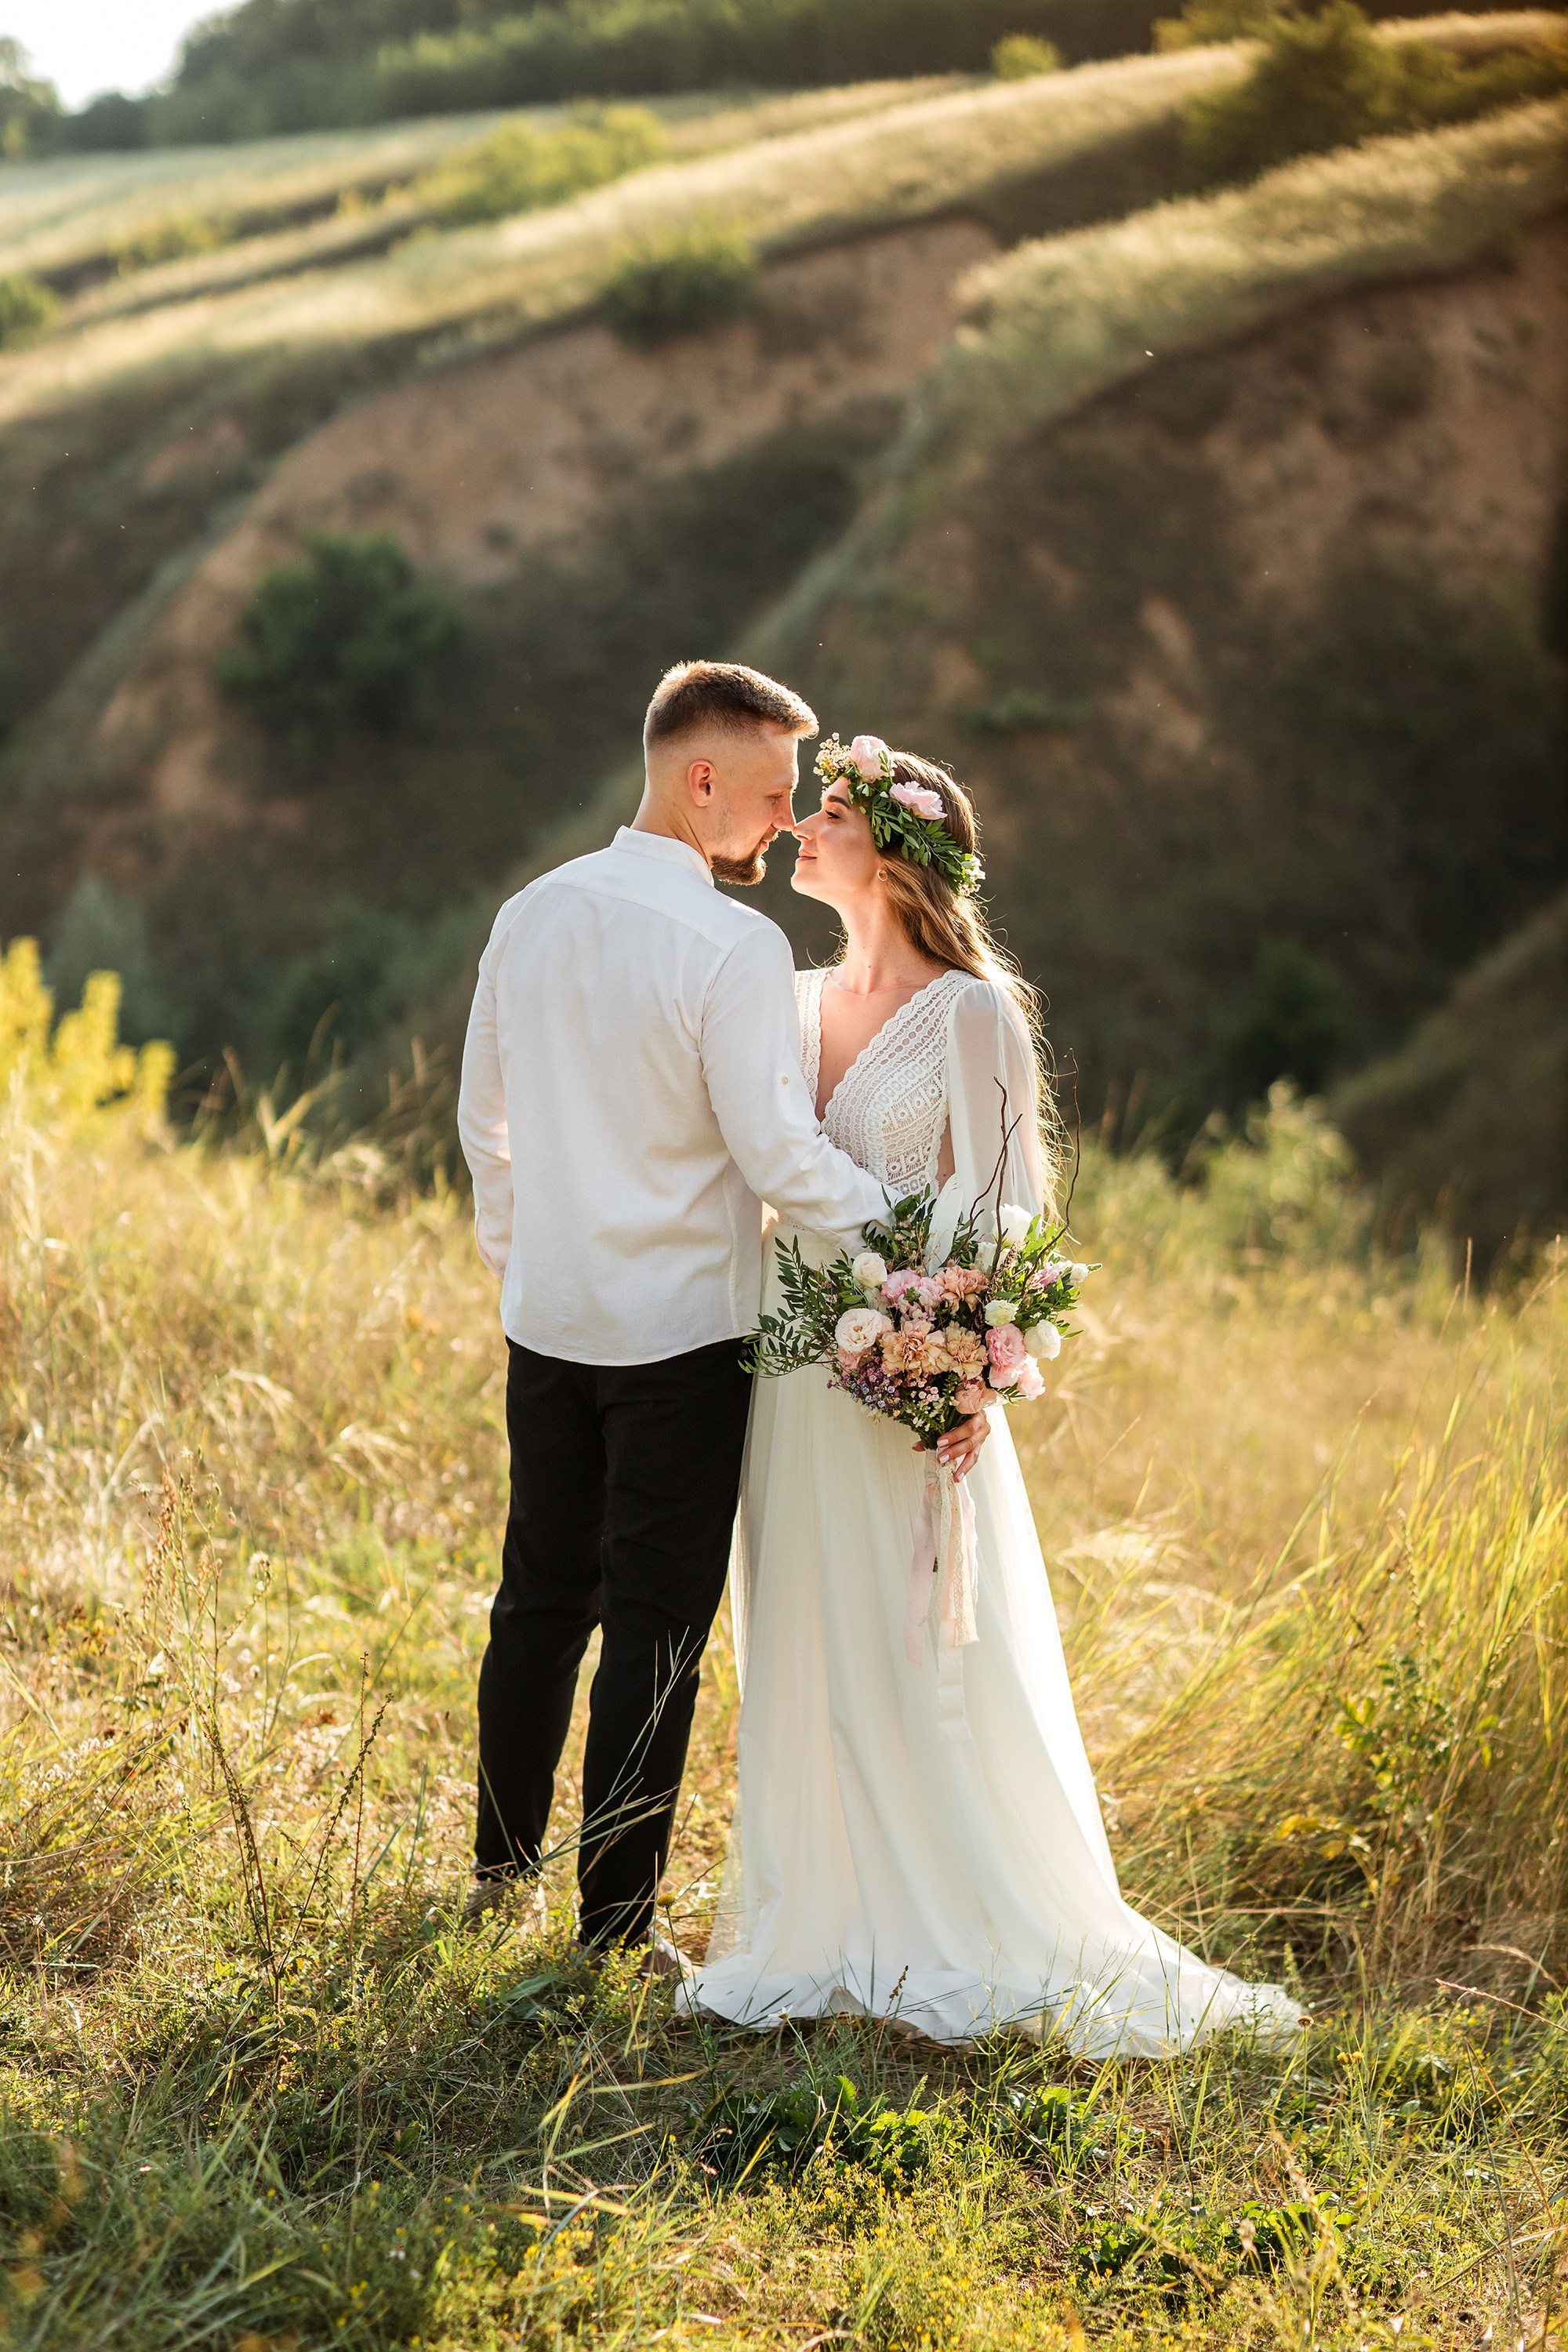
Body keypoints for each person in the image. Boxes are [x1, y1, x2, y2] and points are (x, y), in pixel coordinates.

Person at [681, 741, 1304, 2054]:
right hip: (794, 1376)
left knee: (923, 1642)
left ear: (903, 853)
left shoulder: (974, 1013)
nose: (798, 822)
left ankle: (961, 1917)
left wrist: (967, 1367)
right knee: (805, 1631)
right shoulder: (786, 1001)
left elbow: (1012, 1209)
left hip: (913, 1381)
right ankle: (823, 1916)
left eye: (830, 811)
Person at [456, 666, 989, 1955]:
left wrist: (527, 1256)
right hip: (684, 1341)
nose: (782, 823)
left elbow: (486, 1119)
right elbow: (782, 1164)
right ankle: (615, 1926)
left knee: (536, 1602)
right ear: (703, 781)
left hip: (550, 1324)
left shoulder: (531, 911)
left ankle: (496, 1874)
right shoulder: (734, 946)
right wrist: (915, 1260)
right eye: (769, 793)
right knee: (655, 1624)